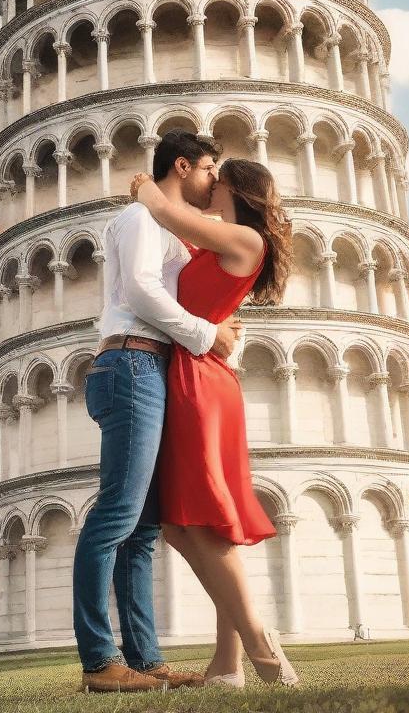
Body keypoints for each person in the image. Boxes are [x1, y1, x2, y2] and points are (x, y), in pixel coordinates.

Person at [72, 130, 242, 693]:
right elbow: (143, 292)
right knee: (116, 517)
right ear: (183, 164)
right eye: (210, 168)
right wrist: (205, 336)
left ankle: (143, 661)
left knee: (141, 530)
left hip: (146, 368)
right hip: (130, 366)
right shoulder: (138, 222)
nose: (214, 179)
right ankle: (100, 661)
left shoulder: (161, 220)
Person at [131, 156, 299, 687]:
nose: (209, 184)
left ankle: (260, 647)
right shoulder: (224, 242)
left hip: (200, 381)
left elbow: (166, 212)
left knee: (198, 522)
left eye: (215, 176)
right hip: (194, 370)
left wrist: (145, 188)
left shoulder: (246, 239)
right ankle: (228, 663)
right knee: (187, 524)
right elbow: (205, 298)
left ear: (232, 187)